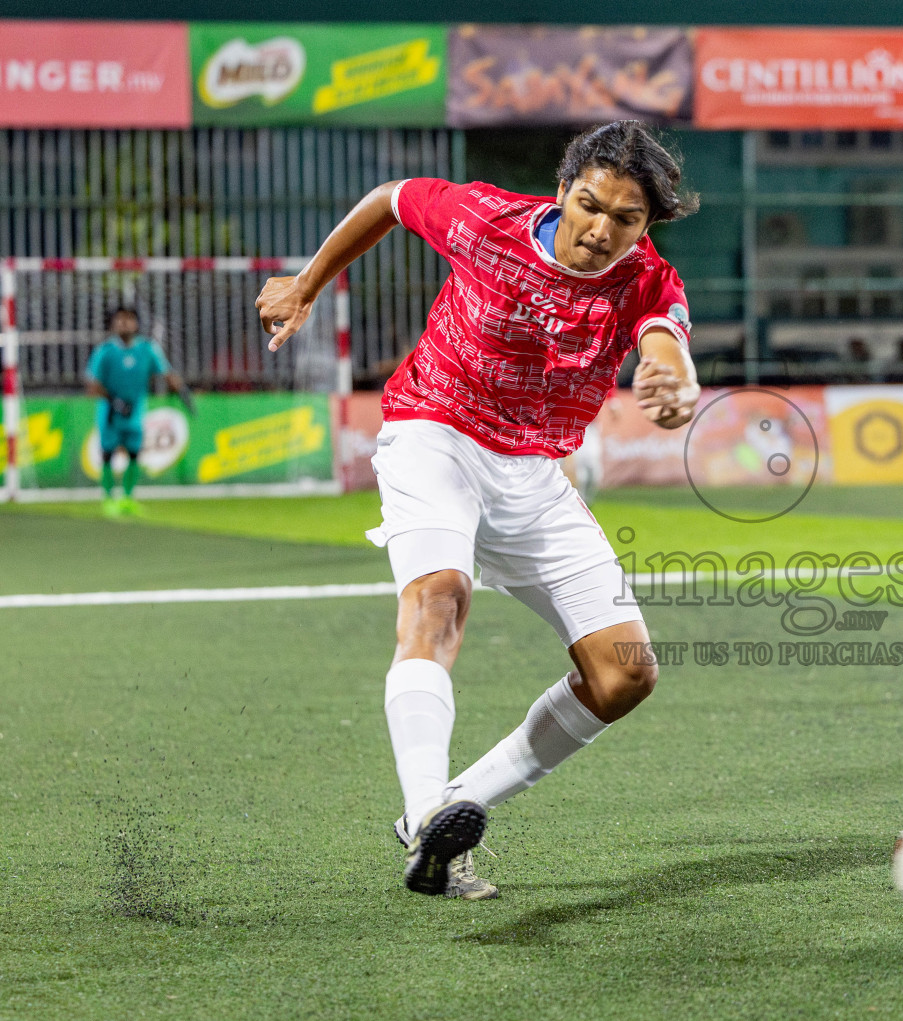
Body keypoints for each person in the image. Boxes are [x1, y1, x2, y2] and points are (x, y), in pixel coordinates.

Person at [255, 121, 701, 900]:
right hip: (437, 432)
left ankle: (444, 816)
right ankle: (429, 805)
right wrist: (307, 282)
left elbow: (665, 342)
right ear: (563, 189)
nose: (601, 229)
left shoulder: (647, 282)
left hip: (536, 474)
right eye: (590, 204)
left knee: (626, 675)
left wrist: (672, 380)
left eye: (626, 219)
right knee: (439, 600)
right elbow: (391, 199)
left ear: (646, 225)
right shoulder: (485, 220)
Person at [84, 307, 192, 516]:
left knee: (134, 453)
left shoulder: (147, 349)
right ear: (113, 324)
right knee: (107, 453)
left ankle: (127, 498)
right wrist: (113, 401)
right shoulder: (105, 351)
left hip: (135, 412)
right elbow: (91, 384)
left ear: (136, 324)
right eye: (120, 320)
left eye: (129, 320)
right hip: (110, 412)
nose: (124, 324)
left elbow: (166, 373)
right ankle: (108, 500)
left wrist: (180, 389)